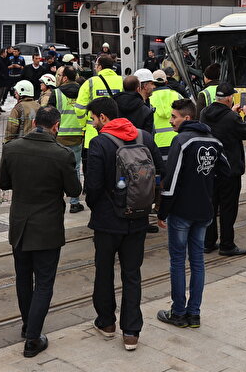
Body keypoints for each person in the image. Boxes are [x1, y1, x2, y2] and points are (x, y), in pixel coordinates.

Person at [0, 105, 81, 358]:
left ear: (34, 123)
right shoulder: (62, 154)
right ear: (56, 127)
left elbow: (4, 183)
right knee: (44, 283)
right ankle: (33, 338)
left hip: (20, 226)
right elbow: (74, 190)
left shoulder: (11, 149)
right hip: (47, 228)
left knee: (23, 279)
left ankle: (27, 326)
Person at [84, 97, 162, 351]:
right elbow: (161, 171)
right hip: (138, 219)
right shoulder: (144, 138)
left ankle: (106, 323)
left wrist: (98, 208)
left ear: (103, 118)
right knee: (132, 275)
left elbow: (93, 188)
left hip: (108, 222)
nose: (92, 123)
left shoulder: (99, 143)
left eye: (93, 118)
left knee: (104, 271)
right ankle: (131, 332)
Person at [156, 99, 225, 329]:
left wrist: (162, 211)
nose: (170, 120)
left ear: (186, 118)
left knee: (177, 262)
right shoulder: (214, 141)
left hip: (182, 211)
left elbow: (172, 180)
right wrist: (207, 183)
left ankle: (178, 312)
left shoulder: (182, 141)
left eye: (174, 116)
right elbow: (227, 169)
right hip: (204, 210)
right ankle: (194, 314)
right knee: (197, 262)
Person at [200, 83, 246, 256]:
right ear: (230, 98)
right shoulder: (231, 119)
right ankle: (227, 244)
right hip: (229, 169)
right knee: (228, 208)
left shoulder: (204, 114)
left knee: (210, 206)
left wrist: (232, 113)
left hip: (209, 167)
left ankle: (208, 242)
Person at [54, 66, 88, 214]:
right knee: (75, 168)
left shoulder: (56, 93)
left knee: (57, 169)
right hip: (78, 136)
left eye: (60, 75)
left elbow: (49, 113)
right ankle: (74, 202)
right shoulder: (83, 91)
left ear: (65, 78)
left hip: (60, 136)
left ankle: (57, 199)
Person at [76, 54, 124, 154]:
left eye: (96, 65)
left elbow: (79, 108)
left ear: (100, 67)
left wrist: (84, 124)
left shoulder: (90, 82)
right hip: (117, 135)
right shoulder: (122, 81)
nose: (94, 67)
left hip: (93, 135)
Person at [148, 70, 181, 165]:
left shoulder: (148, 99)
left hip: (155, 144)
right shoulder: (177, 96)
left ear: (152, 83)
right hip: (176, 142)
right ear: (166, 82)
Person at [0, 48, 12, 115]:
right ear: (3, 53)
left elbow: (8, 64)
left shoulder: (4, 59)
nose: (6, 53)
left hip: (4, 80)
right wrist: (4, 76)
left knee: (2, 94)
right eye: (6, 52)